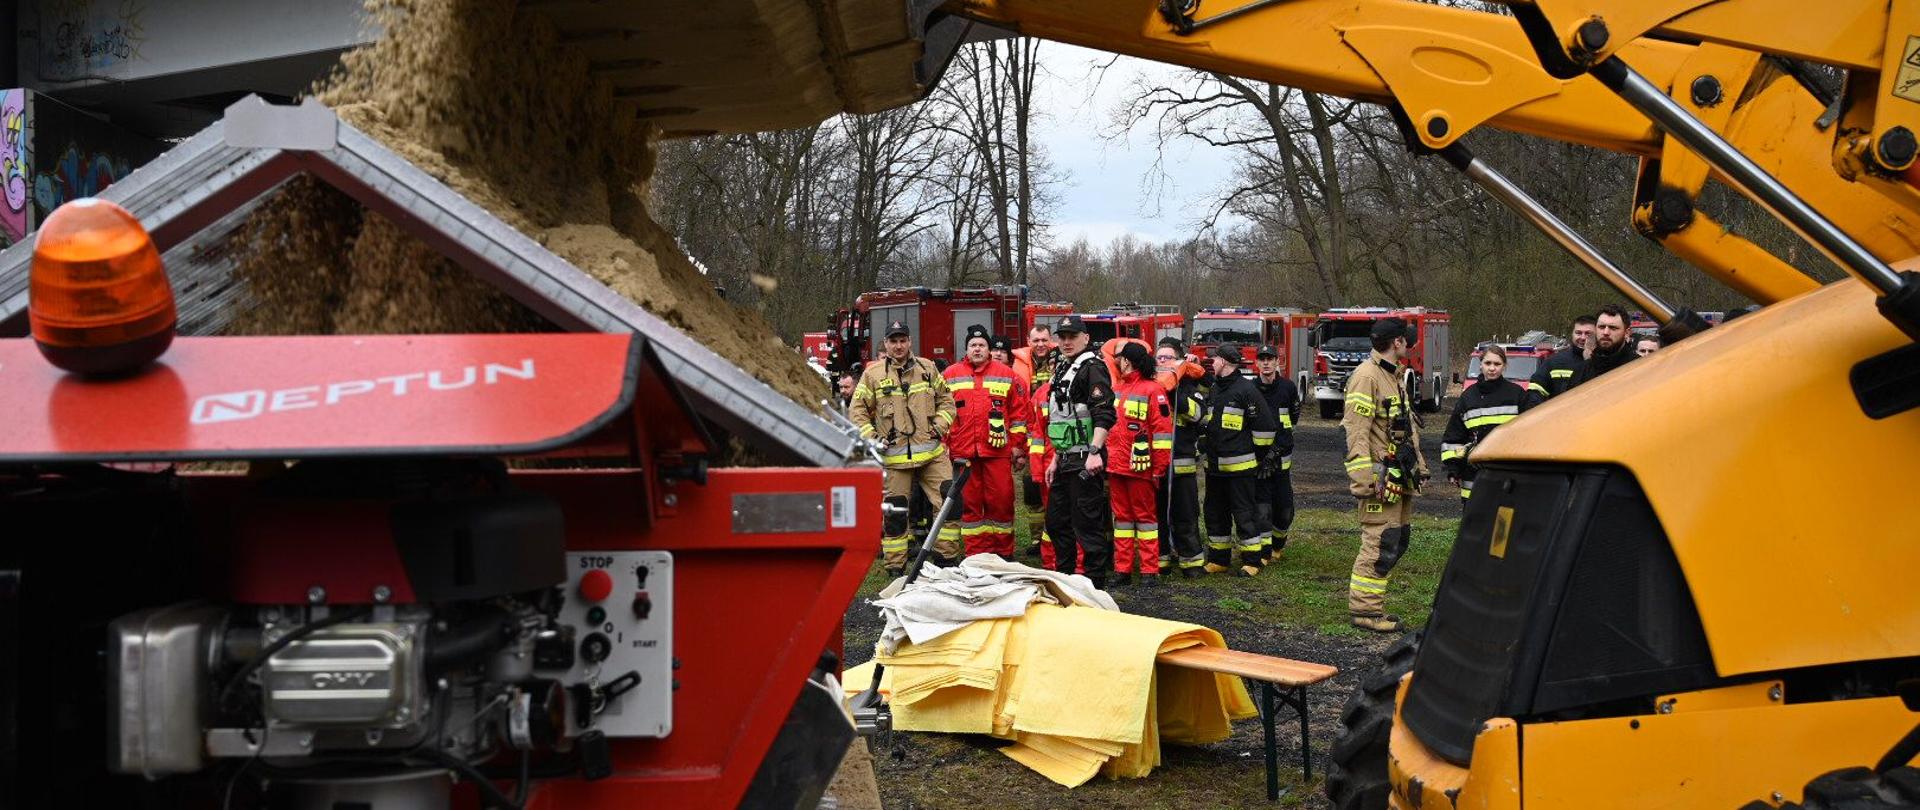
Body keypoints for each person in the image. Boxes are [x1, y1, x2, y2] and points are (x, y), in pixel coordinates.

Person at [849, 319, 959, 578]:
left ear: (910, 342)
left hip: (932, 454)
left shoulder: (928, 368)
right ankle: (895, 568)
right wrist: (873, 438)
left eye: (902, 340)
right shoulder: (872, 374)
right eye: (892, 341)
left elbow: (947, 401)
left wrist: (939, 426)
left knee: (949, 504)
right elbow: (857, 411)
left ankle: (947, 560)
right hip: (894, 459)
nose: (898, 346)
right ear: (885, 344)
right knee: (895, 514)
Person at [1342, 318, 1427, 633]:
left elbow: (1405, 427)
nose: (1409, 344)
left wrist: (1420, 465)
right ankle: (1365, 611)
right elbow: (1356, 432)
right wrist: (1363, 480)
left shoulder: (1394, 376)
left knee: (1397, 539)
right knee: (1380, 540)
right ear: (1397, 343)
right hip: (1379, 480)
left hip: (1399, 476)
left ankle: (1371, 606)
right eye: (1407, 340)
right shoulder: (1367, 377)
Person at [943, 326, 1030, 560]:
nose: (977, 348)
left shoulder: (1007, 374)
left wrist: (1017, 445)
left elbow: (1019, 414)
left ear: (989, 349)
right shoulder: (950, 375)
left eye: (982, 345)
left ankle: (1002, 553)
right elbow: (940, 412)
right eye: (973, 345)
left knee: (1001, 502)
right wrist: (944, 443)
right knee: (970, 505)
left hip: (997, 451)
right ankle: (976, 555)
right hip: (963, 452)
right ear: (966, 349)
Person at [1043, 315, 1117, 588]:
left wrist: (1095, 451)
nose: (1066, 341)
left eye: (1072, 336)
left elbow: (1104, 413)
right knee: (1056, 522)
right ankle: (1065, 578)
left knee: (1087, 524)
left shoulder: (1093, 368)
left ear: (1085, 338)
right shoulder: (1064, 368)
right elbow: (1063, 419)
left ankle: (1096, 582)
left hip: (1087, 460)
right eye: (1062, 337)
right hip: (1064, 459)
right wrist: (1054, 459)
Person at [1202, 343, 1278, 577]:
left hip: (1240, 469)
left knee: (1244, 514)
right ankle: (1219, 559)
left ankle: (1252, 561)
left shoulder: (1246, 390)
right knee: (1215, 513)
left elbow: (1265, 430)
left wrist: (1255, 455)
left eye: (1213, 360)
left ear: (1223, 362)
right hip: (1214, 468)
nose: (1211, 363)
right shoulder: (1215, 388)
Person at [1106, 342, 1172, 586]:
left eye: (1120, 358)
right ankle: (1122, 570)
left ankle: (1148, 570)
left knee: (1145, 520)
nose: (1117, 362)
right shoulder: (1117, 388)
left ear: (1127, 361)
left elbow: (1163, 434)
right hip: (1116, 466)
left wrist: (1158, 468)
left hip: (1140, 467)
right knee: (1121, 520)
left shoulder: (1154, 390)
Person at [1440, 344, 1524, 502]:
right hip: (1473, 476)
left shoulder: (1516, 395)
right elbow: (1454, 436)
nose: (1492, 368)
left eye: (1497, 364)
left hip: (1508, 473)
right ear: (1481, 364)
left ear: (1504, 366)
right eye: (1488, 363)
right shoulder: (1468, 397)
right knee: (1474, 524)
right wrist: (1454, 468)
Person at [1156, 338, 1207, 578]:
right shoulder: (1149, 386)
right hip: (1155, 465)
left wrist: (1175, 390)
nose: (1162, 361)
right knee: (1156, 514)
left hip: (1182, 466)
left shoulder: (1187, 387)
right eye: (1159, 357)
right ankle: (1162, 558)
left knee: (1185, 514)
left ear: (1178, 361)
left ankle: (1191, 562)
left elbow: (1198, 415)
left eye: (1167, 357)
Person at [1012, 325, 1059, 559]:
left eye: (1044, 340)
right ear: (1028, 341)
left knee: (1056, 491)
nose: (1040, 344)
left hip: (1056, 437)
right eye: (1036, 340)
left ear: (1051, 341)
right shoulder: (1021, 366)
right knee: (1032, 492)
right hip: (1031, 436)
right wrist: (1020, 446)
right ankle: (1035, 538)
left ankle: (1055, 538)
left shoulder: (1059, 361)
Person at [1251, 344, 1300, 565]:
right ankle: (1264, 551)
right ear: (1257, 363)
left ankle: (1278, 544)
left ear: (1277, 361)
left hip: (1281, 462)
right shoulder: (1250, 388)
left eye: (1270, 358)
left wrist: (1277, 450)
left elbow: (1292, 419)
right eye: (1262, 359)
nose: (1266, 363)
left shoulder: (1288, 388)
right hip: (1258, 462)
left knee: (1284, 510)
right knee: (1261, 509)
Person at [1524, 314, 1593, 408]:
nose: (1583, 337)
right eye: (1578, 333)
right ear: (1572, 334)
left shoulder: (1605, 360)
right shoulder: (1555, 362)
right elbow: (1535, 392)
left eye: (1588, 334)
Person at [1575, 304, 1637, 384]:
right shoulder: (1581, 371)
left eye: (1613, 328)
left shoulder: (1639, 367)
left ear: (1627, 333)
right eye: (1601, 327)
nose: (1606, 332)